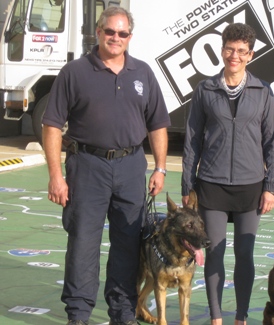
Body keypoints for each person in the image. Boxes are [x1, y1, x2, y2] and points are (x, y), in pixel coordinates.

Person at [42, 7, 170, 325]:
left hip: (130, 167)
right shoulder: (74, 72)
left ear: (130, 36)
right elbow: (52, 125)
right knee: (84, 241)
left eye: (122, 33)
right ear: (98, 32)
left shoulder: (142, 73)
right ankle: (79, 313)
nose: (116, 38)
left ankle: (123, 312)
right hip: (87, 166)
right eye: (109, 31)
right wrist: (56, 176)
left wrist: (160, 167)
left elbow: (157, 125)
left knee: (128, 242)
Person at [181, 23, 274, 325]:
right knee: (213, 254)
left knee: (244, 255)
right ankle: (216, 318)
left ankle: (240, 317)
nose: (234, 56)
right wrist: (188, 185)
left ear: (250, 54)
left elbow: (272, 143)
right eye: (229, 49)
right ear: (222, 50)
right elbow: (192, 140)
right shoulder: (205, 89)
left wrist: (271, 187)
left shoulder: (263, 91)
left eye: (241, 51)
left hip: (251, 186)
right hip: (211, 186)